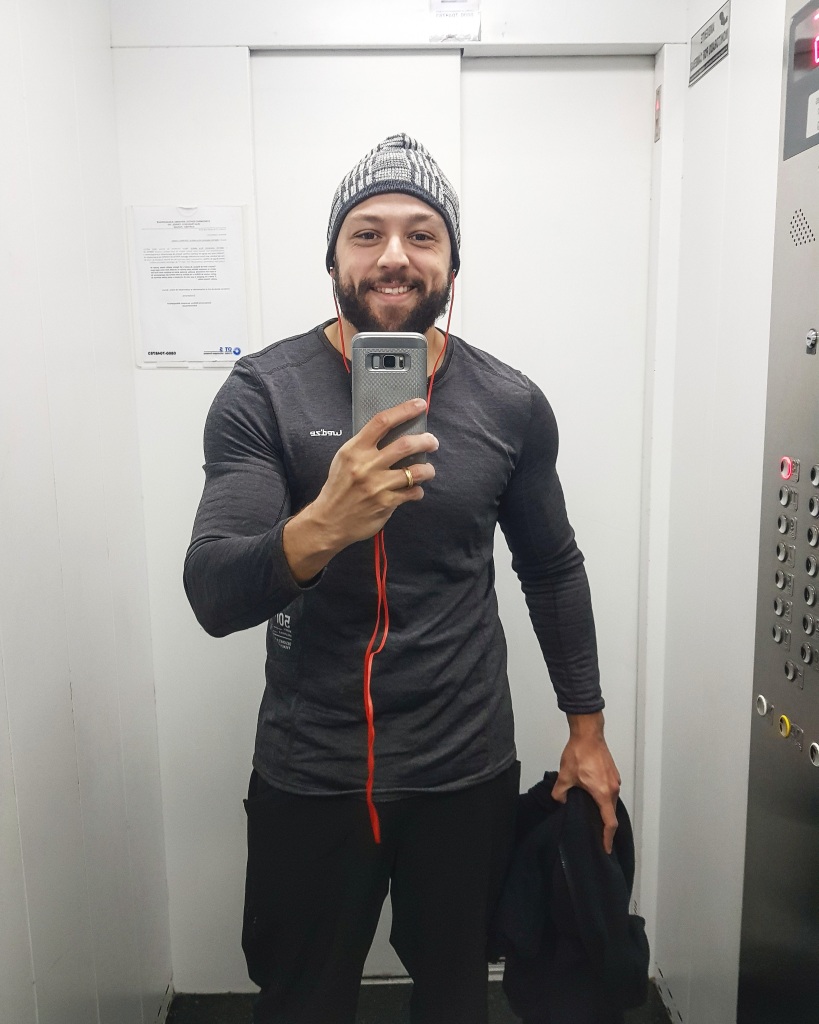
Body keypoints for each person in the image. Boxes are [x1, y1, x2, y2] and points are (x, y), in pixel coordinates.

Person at [184, 133, 621, 1024]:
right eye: (366, 233)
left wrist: (587, 731)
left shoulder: (508, 401)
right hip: (311, 767)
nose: (393, 255)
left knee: (456, 995)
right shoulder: (262, 392)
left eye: (422, 235)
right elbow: (214, 593)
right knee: (301, 1002)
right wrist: (323, 524)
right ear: (332, 259)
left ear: (453, 264)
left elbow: (551, 569)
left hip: (462, 767)